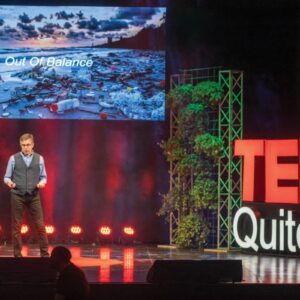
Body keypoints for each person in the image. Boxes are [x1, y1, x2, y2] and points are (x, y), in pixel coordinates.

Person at [4, 133, 49, 257]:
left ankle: (45, 255)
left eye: (28, 145)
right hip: (17, 194)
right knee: (16, 226)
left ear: (33, 144)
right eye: (23, 145)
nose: (26, 147)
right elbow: (7, 177)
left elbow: (44, 177)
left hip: (34, 195)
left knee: (40, 225)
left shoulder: (39, 158)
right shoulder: (13, 158)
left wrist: (42, 183)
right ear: (20, 145)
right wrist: (10, 183)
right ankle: (17, 255)